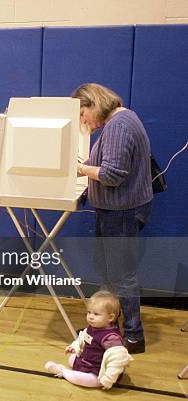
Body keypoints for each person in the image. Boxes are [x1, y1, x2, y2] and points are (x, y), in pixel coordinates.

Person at [73, 83, 153, 354]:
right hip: (120, 210)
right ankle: (107, 331)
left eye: (83, 115)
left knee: (120, 275)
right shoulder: (122, 119)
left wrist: (81, 169)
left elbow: (113, 174)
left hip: (121, 212)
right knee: (111, 272)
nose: (85, 123)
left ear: (93, 103)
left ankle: (133, 336)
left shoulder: (118, 126)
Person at [45, 291, 133, 389]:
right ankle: (76, 370)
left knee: (83, 379)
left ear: (110, 317)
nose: (90, 317)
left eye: (96, 314)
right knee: (71, 358)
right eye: (89, 312)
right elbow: (82, 338)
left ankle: (63, 372)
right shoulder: (93, 327)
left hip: (99, 371)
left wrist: (108, 378)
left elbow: (117, 360)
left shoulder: (111, 338)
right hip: (87, 361)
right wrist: (74, 347)